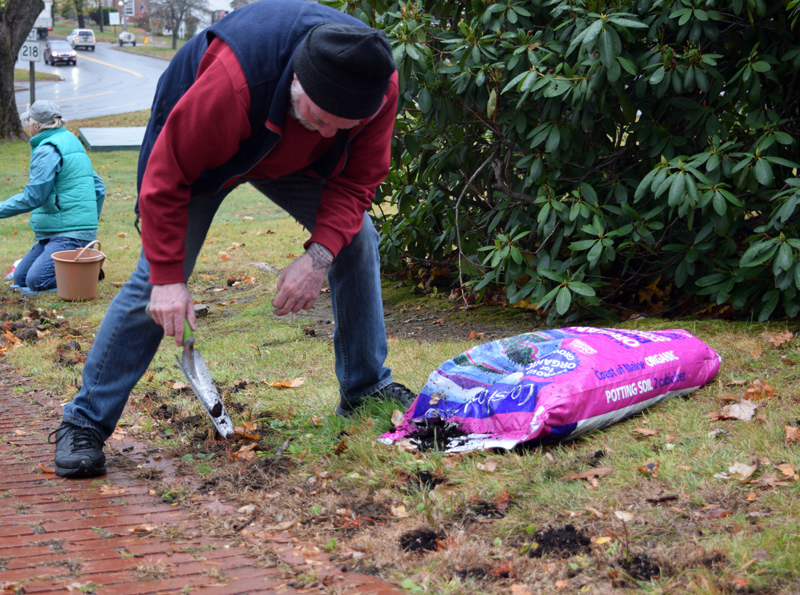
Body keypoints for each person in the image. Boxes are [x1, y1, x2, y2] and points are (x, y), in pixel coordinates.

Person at [49, 0, 415, 479]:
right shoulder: (233, 81)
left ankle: (365, 387)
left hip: (290, 156)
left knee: (357, 240)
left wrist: (319, 257)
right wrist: (168, 278)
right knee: (154, 284)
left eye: (340, 128)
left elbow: (357, 182)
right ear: (297, 80)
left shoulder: (375, 85)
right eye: (319, 116)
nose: (328, 131)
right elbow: (165, 177)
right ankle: (85, 421)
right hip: (206, 158)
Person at [1, 101, 105, 293]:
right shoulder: (70, 141)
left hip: (68, 233)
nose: (27, 125)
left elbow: (34, 197)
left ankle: (85, 271)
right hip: (59, 231)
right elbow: (99, 187)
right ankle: (80, 265)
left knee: (36, 281)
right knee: (21, 277)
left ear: (36, 125)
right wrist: (89, 220)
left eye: (28, 121)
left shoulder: (47, 149)